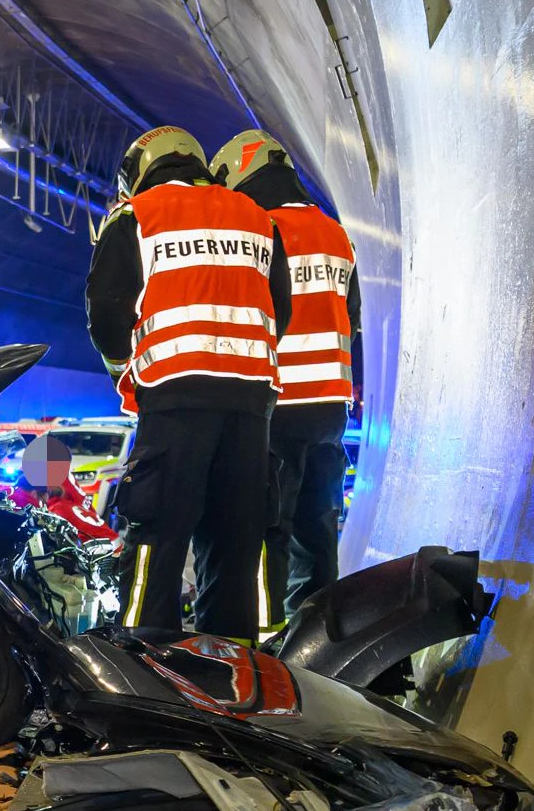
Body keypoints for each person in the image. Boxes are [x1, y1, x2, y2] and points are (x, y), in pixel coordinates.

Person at [84, 126, 292, 638]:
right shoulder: (258, 219)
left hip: (174, 400)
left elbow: (106, 314)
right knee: (235, 542)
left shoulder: (137, 216)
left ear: (138, 170)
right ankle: (233, 671)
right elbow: (280, 310)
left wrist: (124, 374)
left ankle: (146, 661)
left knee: (158, 533)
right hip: (250, 407)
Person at [213, 129, 361, 621]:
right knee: (318, 529)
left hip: (277, 407)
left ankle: (266, 641)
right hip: (330, 409)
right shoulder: (336, 233)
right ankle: (318, 638)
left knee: (266, 530)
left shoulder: (260, 228)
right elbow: (352, 317)